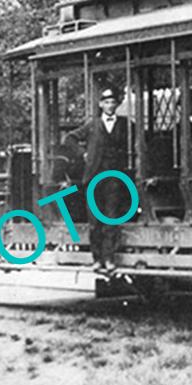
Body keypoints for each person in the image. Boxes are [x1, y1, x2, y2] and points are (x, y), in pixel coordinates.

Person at [64, 86, 133, 273]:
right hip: (94, 178)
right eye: (106, 102)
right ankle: (97, 259)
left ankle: (109, 259)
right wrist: (83, 154)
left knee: (111, 218)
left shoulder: (125, 124)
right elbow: (69, 138)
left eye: (113, 103)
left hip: (114, 178)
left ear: (117, 105)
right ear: (101, 105)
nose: (110, 106)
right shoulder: (92, 125)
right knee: (94, 221)